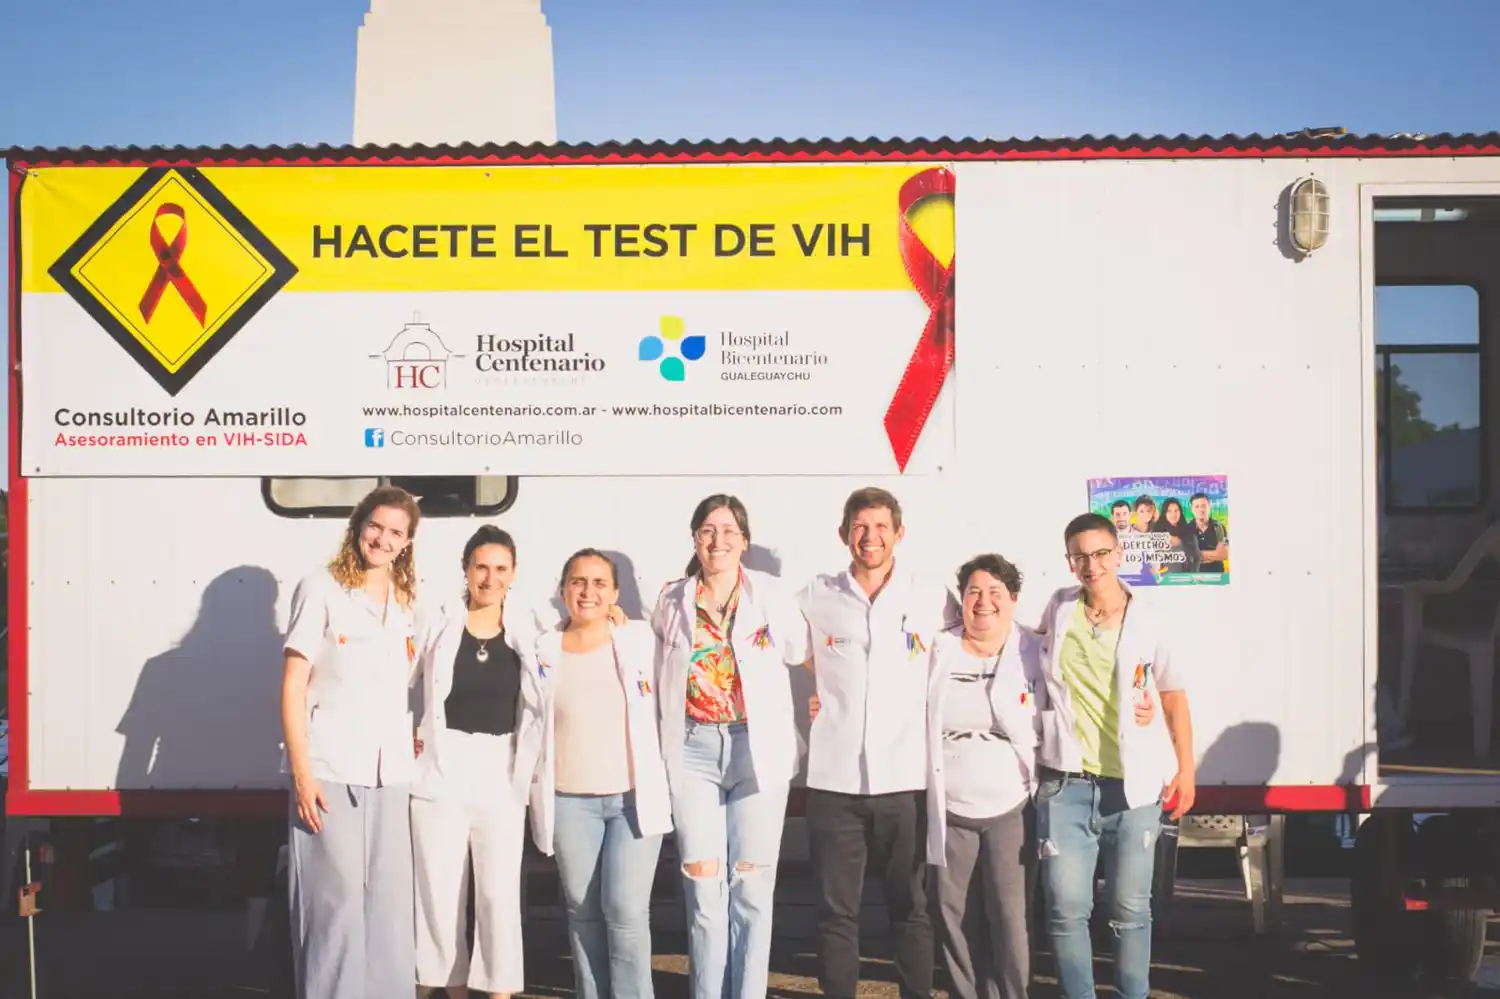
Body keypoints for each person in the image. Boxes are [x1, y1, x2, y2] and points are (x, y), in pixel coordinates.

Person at [924, 554, 1156, 999]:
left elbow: (1090, 685)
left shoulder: (1037, 648)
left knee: (1011, 918)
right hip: (948, 807)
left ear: (1013, 600)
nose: (984, 602)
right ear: (961, 600)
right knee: (954, 917)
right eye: (974, 592)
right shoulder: (936, 649)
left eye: (996, 592)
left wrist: (1140, 706)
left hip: (1012, 806)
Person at [798, 486, 958, 999]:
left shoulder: (931, 597)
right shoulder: (815, 596)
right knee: (835, 914)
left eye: (881, 527)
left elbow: (974, 646)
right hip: (833, 780)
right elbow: (768, 636)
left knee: (910, 909)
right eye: (860, 527)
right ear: (844, 533)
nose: (870, 537)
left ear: (899, 533)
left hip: (905, 778)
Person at [649, 495, 809, 999]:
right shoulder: (672, 600)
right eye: (707, 530)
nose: (717, 541)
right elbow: (651, 670)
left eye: (728, 531)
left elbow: (803, 653)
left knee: (751, 888)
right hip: (693, 750)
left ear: (744, 539)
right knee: (702, 887)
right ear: (695, 538)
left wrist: (828, 696)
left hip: (755, 750)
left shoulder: (772, 595)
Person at [1032, 513, 1196, 999]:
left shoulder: (1149, 618)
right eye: (1080, 556)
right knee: (1065, 909)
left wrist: (1186, 768)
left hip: (1133, 787)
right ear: (1069, 562)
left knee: (1129, 910)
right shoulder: (1059, 610)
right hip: (1066, 786)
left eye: (1101, 553)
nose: (1091, 564)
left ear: (1119, 554)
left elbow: (1173, 697)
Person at [279, 484, 424, 999]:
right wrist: (302, 775)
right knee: (333, 909)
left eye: (396, 533)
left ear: (408, 543)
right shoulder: (319, 586)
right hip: (329, 771)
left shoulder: (407, 599)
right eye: (376, 527)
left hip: (390, 774)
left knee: (387, 910)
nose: (382, 539)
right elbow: (294, 684)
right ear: (358, 526)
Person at [409, 526, 548, 999]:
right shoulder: (437, 620)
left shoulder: (531, 625)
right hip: (442, 762)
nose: (490, 578)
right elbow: (399, 679)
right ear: (465, 569)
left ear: (513, 573)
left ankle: (499, 990)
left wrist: (615, 618)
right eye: (481, 567)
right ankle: (445, 986)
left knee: (498, 892)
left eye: (500, 568)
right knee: (439, 888)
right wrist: (409, 733)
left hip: (501, 765)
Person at [530, 548, 673, 999]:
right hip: (570, 801)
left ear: (614, 593)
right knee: (582, 911)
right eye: (578, 581)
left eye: (598, 583)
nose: (587, 592)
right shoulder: (543, 647)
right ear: (562, 590)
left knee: (626, 912)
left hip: (632, 801)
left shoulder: (638, 641)